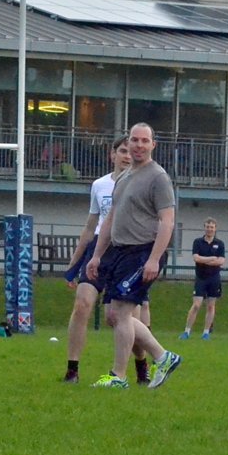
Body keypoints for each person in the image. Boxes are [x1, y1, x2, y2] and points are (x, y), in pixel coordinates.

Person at [85, 123, 182, 389]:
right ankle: (163, 356)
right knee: (113, 315)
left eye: (144, 141)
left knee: (121, 313)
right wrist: (97, 256)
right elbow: (110, 220)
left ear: (153, 145)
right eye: (134, 140)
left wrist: (154, 259)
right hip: (119, 251)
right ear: (128, 142)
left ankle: (118, 376)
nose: (139, 145)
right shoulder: (124, 177)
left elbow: (167, 221)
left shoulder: (158, 178)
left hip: (142, 251)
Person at [60, 136, 151, 385]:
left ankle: (141, 364)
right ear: (113, 155)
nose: (126, 156)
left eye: (130, 151)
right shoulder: (99, 185)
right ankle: (72, 370)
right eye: (122, 151)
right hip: (99, 250)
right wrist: (74, 264)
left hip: (127, 250)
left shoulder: (144, 183)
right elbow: (90, 226)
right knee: (82, 304)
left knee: (123, 316)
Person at [180, 218, 226, 339]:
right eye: (207, 227)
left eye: (212, 227)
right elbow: (196, 258)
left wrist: (204, 260)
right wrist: (211, 258)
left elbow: (221, 261)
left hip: (214, 278)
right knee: (196, 305)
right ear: (204, 228)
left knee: (211, 306)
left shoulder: (220, 244)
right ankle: (187, 331)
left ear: (215, 229)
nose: (209, 229)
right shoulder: (198, 242)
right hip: (201, 277)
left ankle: (206, 332)